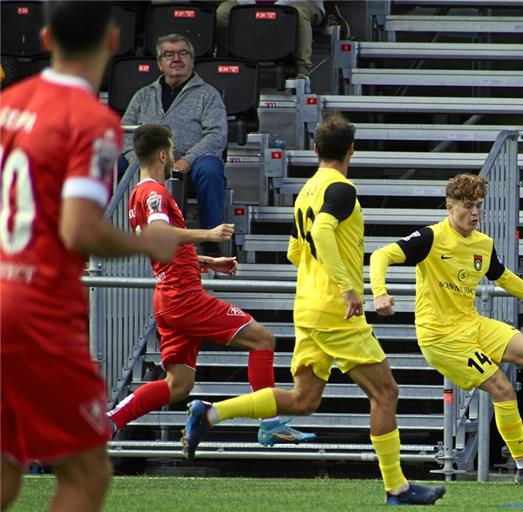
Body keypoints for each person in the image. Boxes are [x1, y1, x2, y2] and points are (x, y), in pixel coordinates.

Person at [181, 112, 446, 506]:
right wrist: (345, 286)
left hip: (307, 306)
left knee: (304, 399)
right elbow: (321, 231)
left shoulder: (307, 190)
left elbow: (294, 250)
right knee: (386, 392)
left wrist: (322, 272)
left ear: (316, 149)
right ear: (351, 150)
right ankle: (397, 487)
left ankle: (209, 414)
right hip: (333, 309)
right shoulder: (341, 189)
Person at [0, 2, 179, 510]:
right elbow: (78, 228)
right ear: (111, 41)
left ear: (44, 37)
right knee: (86, 473)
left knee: (7, 468)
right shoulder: (91, 121)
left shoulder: (10, 102)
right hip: (40, 310)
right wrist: (148, 243)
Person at [370, 174, 523, 485]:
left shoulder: (482, 244)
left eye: (479, 206)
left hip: (471, 323)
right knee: (502, 388)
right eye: (467, 206)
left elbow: (505, 278)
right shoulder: (431, 238)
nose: (475, 213)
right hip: (440, 336)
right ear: (450, 207)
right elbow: (381, 255)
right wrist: (379, 292)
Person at [107, 123, 314, 446]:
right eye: (172, 150)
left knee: (178, 385)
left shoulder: (137, 195)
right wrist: (208, 235)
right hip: (184, 297)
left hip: (168, 295)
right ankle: (270, 422)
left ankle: (111, 421)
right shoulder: (155, 193)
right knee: (262, 340)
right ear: (163, 154)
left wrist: (205, 261)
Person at [120, 33, 228, 255]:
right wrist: (137, 162)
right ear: (160, 63)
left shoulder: (209, 95)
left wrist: (186, 161)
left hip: (190, 163)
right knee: (112, 165)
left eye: (183, 53)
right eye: (169, 54)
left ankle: (211, 241)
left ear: (192, 60)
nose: (176, 59)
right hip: (145, 162)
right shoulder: (142, 95)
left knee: (210, 168)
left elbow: (216, 135)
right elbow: (124, 132)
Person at [216, 1, 349, 79]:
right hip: (251, 3)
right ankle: (226, 66)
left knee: (299, 12)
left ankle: (302, 72)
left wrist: (279, 5)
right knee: (223, 13)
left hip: (299, 3)